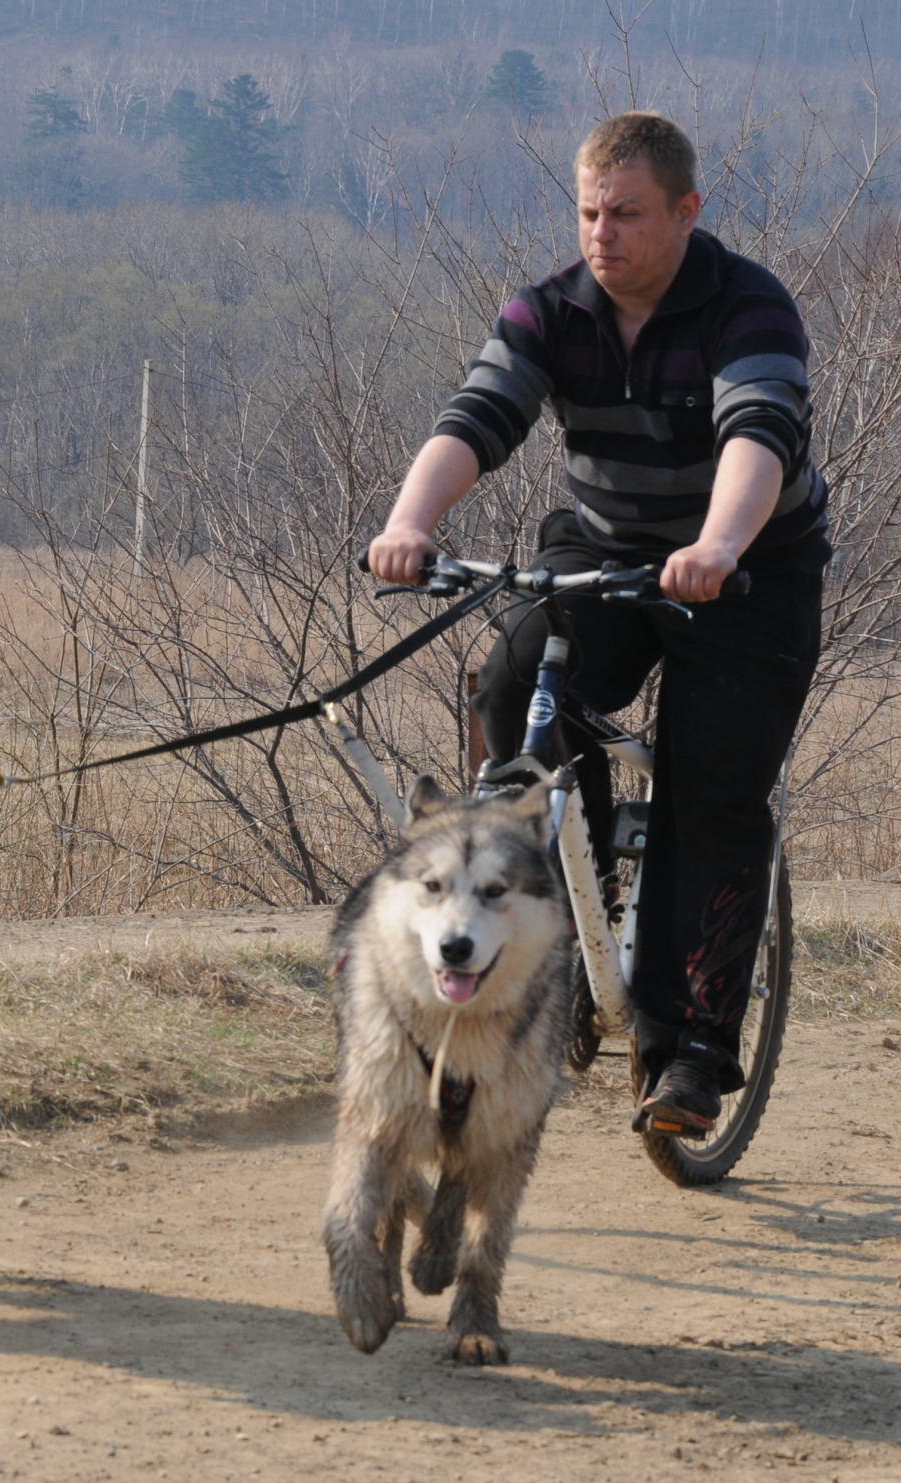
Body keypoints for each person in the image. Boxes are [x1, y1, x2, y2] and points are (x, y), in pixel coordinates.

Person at [365, 111, 829, 1135]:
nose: (599, 234)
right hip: (607, 545)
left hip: (749, 570)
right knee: (513, 690)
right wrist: (408, 522)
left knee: (710, 791)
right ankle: (567, 949)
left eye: (624, 213)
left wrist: (715, 545)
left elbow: (758, 433)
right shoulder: (551, 310)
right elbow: (476, 416)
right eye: (586, 212)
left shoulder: (746, 306)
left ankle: (687, 1049)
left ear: (684, 211)